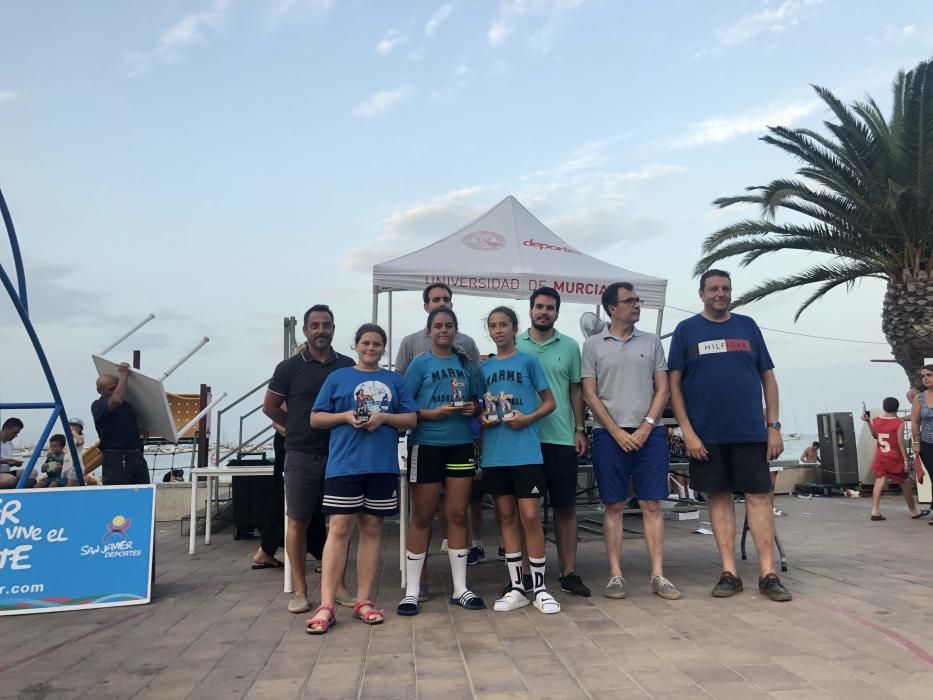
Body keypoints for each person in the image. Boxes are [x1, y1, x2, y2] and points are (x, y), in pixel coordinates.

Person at [669, 269, 792, 602]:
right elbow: (674, 386)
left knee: (759, 498)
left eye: (725, 288)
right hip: (706, 435)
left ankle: (768, 574)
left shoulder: (747, 326)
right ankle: (729, 572)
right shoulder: (686, 331)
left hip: (750, 432)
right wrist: (688, 432)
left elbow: (768, 378)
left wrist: (773, 427)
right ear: (701, 294)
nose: (720, 293)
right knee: (719, 498)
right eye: (713, 289)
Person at [306, 323, 417, 634]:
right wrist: (344, 417)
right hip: (344, 465)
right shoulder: (338, 377)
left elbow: (410, 418)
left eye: (377, 344)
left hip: (382, 466)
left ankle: (364, 601)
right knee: (339, 528)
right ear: (356, 345)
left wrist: (383, 418)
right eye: (366, 343)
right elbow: (316, 417)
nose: (371, 348)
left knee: (372, 528)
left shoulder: (394, 380)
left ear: (384, 348)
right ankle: (326, 603)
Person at [581, 282, 680, 601]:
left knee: (652, 503)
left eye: (638, 301)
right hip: (608, 435)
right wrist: (615, 431)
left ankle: (658, 574)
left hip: (649, 433)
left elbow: (662, 389)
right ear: (612, 308)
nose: (637, 306)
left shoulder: (651, 342)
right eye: (630, 301)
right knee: (614, 504)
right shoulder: (594, 345)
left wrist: (646, 426)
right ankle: (615, 575)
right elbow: (589, 392)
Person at [262, 305, 354, 613]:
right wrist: (295, 429)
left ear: (333, 328)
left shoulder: (347, 365)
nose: (321, 330)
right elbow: (271, 407)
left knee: (338, 523)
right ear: (305, 330)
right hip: (301, 454)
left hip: (340, 454)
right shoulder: (288, 367)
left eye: (326, 325)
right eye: (314, 325)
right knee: (297, 521)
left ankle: (338, 586)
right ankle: (300, 590)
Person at [397, 308, 485, 615]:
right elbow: (404, 407)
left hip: (460, 445)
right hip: (427, 445)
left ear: (456, 330)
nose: (443, 330)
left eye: (449, 325)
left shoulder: (467, 363)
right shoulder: (420, 363)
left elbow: (478, 402)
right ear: (429, 331)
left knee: (457, 514)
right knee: (422, 515)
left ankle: (461, 588)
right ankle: (412, 590)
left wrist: (472, 407)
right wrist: (430, 414)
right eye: (438, 326)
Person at [478, 306, 560, 614]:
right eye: (493, 325)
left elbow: (550, 402)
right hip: (496, 455)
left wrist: (528, 418)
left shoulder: (529, 361)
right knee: (507, 518)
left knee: (529, 517)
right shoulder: (483, 369)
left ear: (515, 329)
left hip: (526, 452)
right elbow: (480, 408)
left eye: (504, 325)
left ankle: (539, 587)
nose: (498, 330)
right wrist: (484, 419)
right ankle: (516, 587)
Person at [515, 287, 590, 598]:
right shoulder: (515, 344)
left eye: (550, 308)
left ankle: (568, 572)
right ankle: (524, 573)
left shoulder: (571, 346)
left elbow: (576, 390)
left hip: (559, 438)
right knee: (526, 511)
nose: (544, 312)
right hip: (522, 439)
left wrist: (580, 428)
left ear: (557, 313)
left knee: (565, 508)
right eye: (539, 307)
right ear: (530, 310)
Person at [865, 397, 928, 521]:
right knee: (904, 483)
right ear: (897, 408)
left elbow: (875, 436)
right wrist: (905, 460)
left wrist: (868, 422)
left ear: (884, 407)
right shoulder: (898, 422)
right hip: (894, 457)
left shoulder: (876, 420)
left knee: (879, 481)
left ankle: (875, 510)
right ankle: (913, 511)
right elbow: (900, 442)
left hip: (880, 456)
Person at [394, 283, 481, 374]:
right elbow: (399, 378)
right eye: (436, 300)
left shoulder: (467, 342)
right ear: (426, 307)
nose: (442, 303)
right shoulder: (410, 342)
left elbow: (476, 376)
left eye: (446, 300)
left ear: (451, 305)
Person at [92, 364, 149, 485]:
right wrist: (123, 376)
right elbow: (116, 401)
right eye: (111, 389)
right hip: (115, 457)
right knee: (117, 494)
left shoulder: (128, 406)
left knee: (143, 491)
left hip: (135, 455)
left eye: (117, 387)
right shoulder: (98, 405)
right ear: (99, 391)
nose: (115, 391)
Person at [910, 365, 933, 526]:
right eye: (923, 376)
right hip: (927, 443)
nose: (925, 378)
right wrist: (916, 443)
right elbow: (915, 421)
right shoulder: (920, 398)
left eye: (929, 375)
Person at [0, 417, 24, 489]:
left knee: (32, 472)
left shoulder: (9, 443)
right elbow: (4, 462)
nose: (16, 436)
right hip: (3, 475)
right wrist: (5, 461)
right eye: (14, 433)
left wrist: (14, 463)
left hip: (6, 473)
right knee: (11, 480)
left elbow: (6, 464)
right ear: (6, 429)